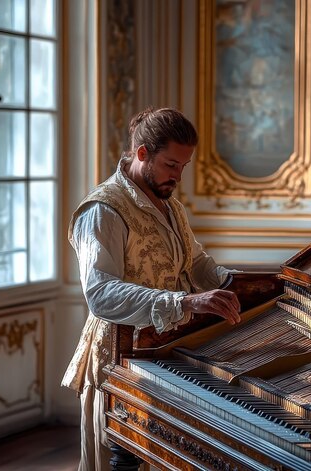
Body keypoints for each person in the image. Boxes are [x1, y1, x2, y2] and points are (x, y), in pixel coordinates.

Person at [61, 107, 241, 471]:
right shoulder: (103, 209)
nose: (177, 177)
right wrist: (187, 300)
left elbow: (195, 260)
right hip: (117, 359)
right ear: (142, 153)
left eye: (183, 167)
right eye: (171, 165)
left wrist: (235, 284)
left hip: (162, 355)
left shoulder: (170, 203)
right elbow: (101, 294)